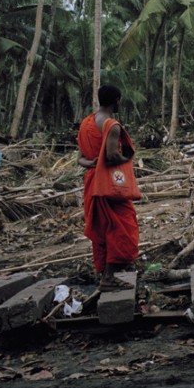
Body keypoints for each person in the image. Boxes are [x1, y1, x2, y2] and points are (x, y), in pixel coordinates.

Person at [77, 84, 139, 291]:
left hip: (92, 181)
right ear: (117, 100)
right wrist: (126, 161)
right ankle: (109, 277)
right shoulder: (112, 125)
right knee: (123, 227)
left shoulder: (86, 124)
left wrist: (95, 163)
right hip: (109, 184)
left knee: (102, 227)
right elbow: (112, 156)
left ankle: (104, 273)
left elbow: (80, 159)